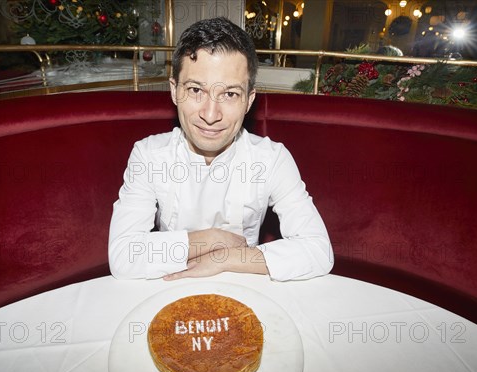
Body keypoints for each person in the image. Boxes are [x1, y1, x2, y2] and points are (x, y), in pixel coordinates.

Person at [108, 17, 333, 281]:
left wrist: (226, 258)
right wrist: (211, 240)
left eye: (230, 94)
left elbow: (319, 251)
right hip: (167, 290)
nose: (211, 114)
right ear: (174, 90)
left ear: (249, 100)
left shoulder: (272, 159)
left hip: (249, 286)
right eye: (195, 90)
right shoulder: (148, 155)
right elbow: (124, 255)